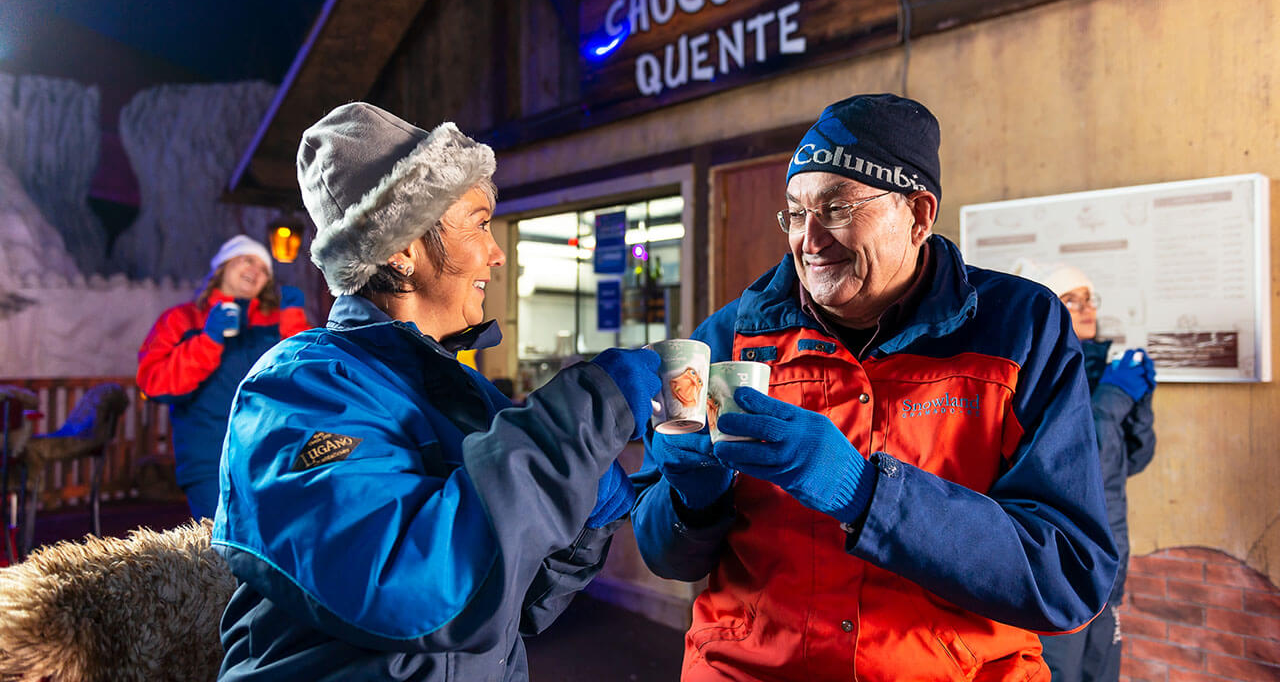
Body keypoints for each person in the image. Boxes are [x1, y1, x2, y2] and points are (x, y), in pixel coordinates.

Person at [631, 93, 1119, 681]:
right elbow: (665, 555)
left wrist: (866, 493)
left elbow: (1069, 576)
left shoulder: (1018, 330)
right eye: (794, 212)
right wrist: (690, 498)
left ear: (919, 215)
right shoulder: (732, 337)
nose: (809, 241)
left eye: (837, 209)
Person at [211, 102, 661, 681]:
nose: (496, 253)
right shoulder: (299, 390)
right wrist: (587, 410)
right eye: (478, 222)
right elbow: (411, 592)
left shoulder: (457, 393)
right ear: (402, 249)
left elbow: (510, 610)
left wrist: (590, 508)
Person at [1021, 263, 1157, 682]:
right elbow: (1073, 466)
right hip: (1062, 558)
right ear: (1046, 307)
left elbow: (1131, 461)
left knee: (1101, 669)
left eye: (1089, 297)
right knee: (1058, 668)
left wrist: (1140, 408)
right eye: (1070, 298)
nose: (1086, 308)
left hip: (1110, 552)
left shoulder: (1102, 369)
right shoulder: (1036, 372)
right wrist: (1111, 404)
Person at [137, 234, 310, 520]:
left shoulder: (275, 322)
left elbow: (303, 380)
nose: (257, 269)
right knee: (221, 553)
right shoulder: (182, 320)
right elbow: (155, 383)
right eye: (247, 259)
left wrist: (292, 323)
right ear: (222, 267)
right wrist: (208, 339)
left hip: (273, 458)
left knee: (277, 550)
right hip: (209, 461)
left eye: (264, 268)